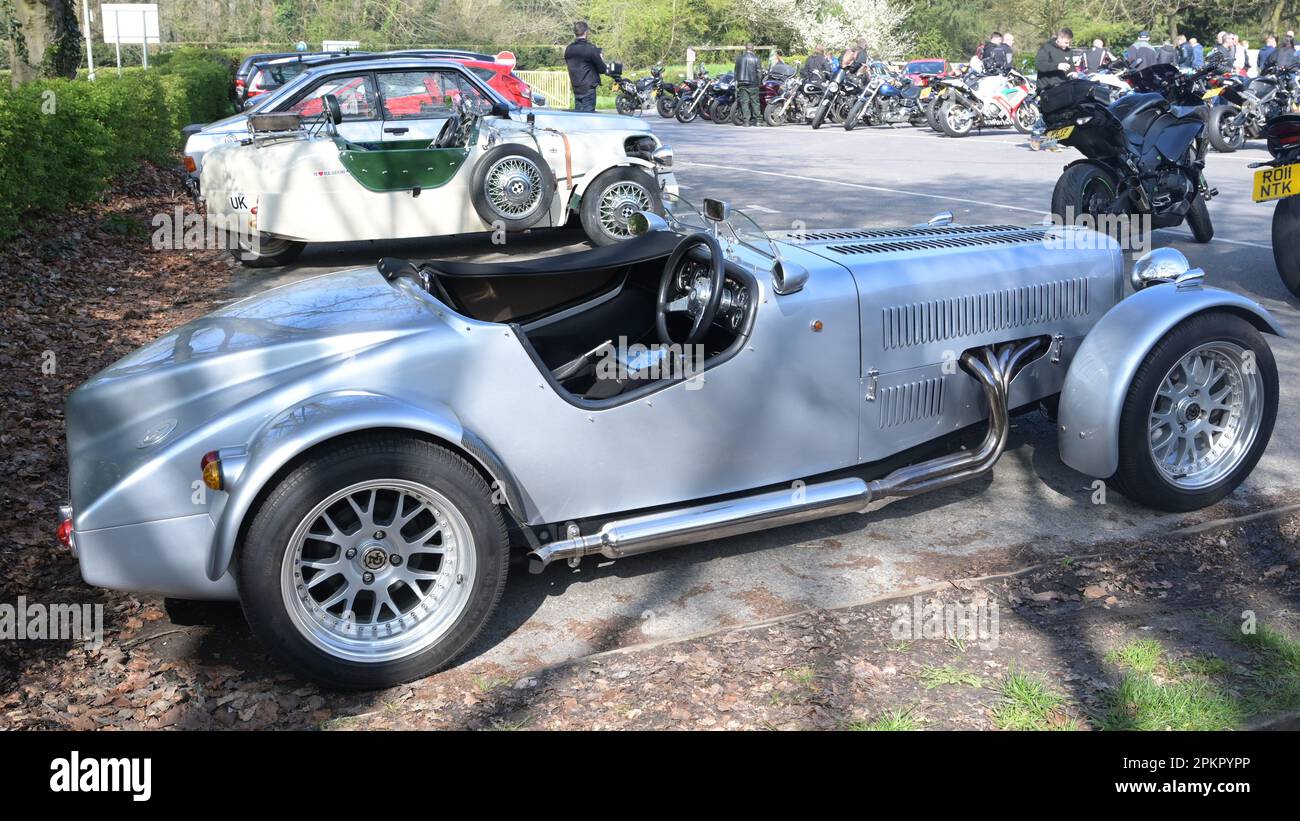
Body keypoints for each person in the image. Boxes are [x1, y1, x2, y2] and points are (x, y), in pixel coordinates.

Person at [564, 21, 607, 112]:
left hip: (576, 88)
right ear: (586, 32)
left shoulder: (569, 49)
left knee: (578, 119)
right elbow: (602, 69)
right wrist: (601, 59)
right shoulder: (590, 49)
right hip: (588, 89)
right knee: (588, 118)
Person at [734, 43, 761, 126]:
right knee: (755, 102)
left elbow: (735, 71)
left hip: (742, 82)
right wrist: (759, 82)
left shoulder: (739, 58)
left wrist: (736, 81)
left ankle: (746, 122)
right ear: (753, 48)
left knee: (744, 102)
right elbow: (759, 72)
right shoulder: (756, 58)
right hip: (753, 83)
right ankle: (758, 121)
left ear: (745, 48)